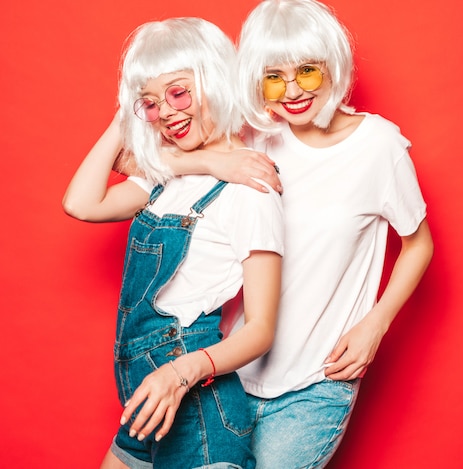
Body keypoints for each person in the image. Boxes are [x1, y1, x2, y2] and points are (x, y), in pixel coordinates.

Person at [168, 1, 434, 467]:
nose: (292, 90)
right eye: (274, 75)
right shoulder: (251, 140)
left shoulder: (379, 146)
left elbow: (419, 243)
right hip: (229, 370)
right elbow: (139, 165)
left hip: (316, 383)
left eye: (307, 71)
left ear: (333, 68)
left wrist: (376, 324)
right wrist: (210, 160)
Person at [62, 17, 284, 469]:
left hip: (195, 402)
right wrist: (129, 111)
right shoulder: (166, 176)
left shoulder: (249, 189)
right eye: (150, 102)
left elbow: (261, 329)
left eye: (179, 92)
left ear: (216, 81)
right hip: (146, 400)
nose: (165, 112)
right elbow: (81, 203)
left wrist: (180, 374)